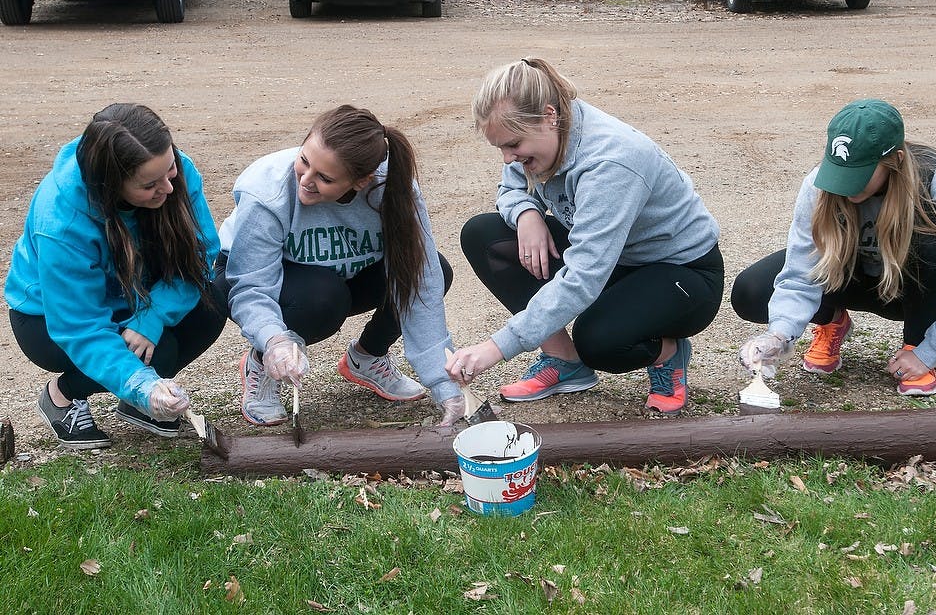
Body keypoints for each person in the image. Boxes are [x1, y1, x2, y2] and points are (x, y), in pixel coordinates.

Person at [445, 58, 725, 416]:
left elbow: (585, 276)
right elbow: (510, 189)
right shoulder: (536, 138)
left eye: (512, 144)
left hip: (680, 272)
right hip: (613, 259)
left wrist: (496, 347)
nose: (508, 158)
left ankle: (669, 354)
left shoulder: (611, 161)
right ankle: (565, 363)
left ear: (549, 116)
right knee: (485, 235)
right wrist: (527, 214)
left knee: (600, 341)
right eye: (500, 148)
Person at [215, 105, 465, 427]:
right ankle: (263, 362)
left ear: (361, 182)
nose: (305, 180)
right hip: (247, 276)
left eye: (325, 178)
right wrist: (274, 340)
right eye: (304, 160)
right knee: (324, 299)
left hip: (336, 272)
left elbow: (421, 280)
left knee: (434, 271)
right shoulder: (268, 191)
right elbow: (250, 285)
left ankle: (367, 357)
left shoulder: (394, 190)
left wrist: (444, 385)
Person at [733, 98, 936, 396]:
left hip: (908, 291)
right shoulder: (818, 185)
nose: (846, 186)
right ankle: (832, 321)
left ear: (894, 160)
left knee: (935, 247)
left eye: (859, 174)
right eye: (840, 172)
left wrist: (929, 350)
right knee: (751, 291)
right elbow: (800, 273)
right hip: (851, 280)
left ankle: (915, 345)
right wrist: (779, 336)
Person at [5, 103, 226, 450]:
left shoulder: (173, 172)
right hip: (49, 319)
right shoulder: (60, 222)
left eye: (170, 170)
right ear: (109, 186)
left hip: (135, 297)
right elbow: (79, 326)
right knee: (153, 358)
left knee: (210, 307)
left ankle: (135, 400)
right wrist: (143, 385)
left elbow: (200, 256)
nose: (168, 189)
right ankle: (62, 395)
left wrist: (152, 316)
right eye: (149, 185)